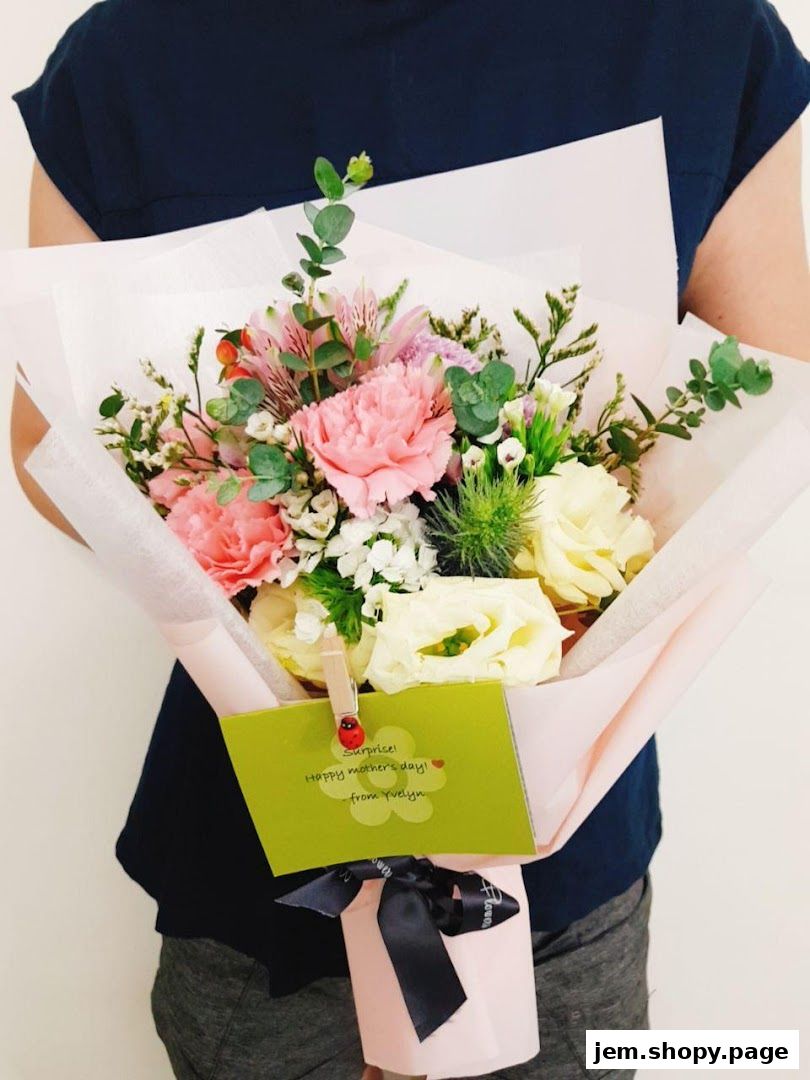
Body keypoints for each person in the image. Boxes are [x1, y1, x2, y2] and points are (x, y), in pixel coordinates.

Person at [10, 2, 810, 1078]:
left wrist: (514, 551)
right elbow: (55, 446)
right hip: (259, 877)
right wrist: (283, 539)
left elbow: (769, 395)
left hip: (550, 874)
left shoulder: (697, 31)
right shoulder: (130, 56)